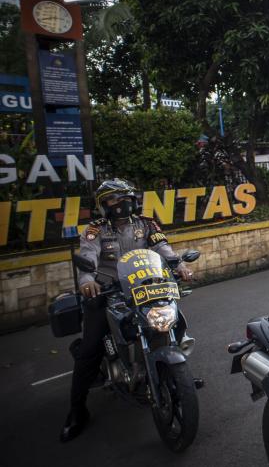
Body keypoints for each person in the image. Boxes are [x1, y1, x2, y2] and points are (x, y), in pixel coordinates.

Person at [60, 179, 193, 443]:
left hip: (144, 288)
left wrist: (179, 266)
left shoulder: (146, 223)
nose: (122, 204)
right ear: (103, 205)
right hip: (107, 292)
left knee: (169, 323)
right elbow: (88, 259)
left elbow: (161, 247)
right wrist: (87, 282)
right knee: (90, 350)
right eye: (114, 200)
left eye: (127, 198)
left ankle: (176, 375)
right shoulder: (94, 230)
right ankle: (77, 410)